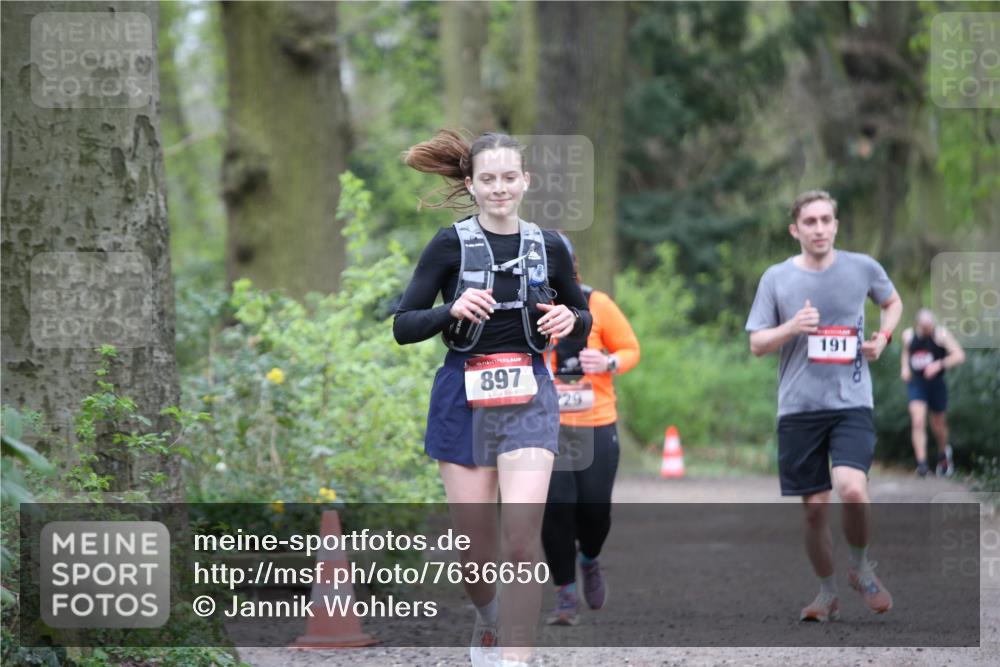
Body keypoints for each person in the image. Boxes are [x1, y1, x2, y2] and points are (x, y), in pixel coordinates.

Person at [393, 129, 592, 667]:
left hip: (529, 396)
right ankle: (488, 618)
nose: (499, 188)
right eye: (488, 179)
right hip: (462, 396)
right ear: (472, 184)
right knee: (475, 554)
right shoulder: (448, 244)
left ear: (525, 181)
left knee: (522, 543)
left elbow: (582, 318)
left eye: (509, 178)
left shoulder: (550, 245)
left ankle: (515, 659)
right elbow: (404, 325)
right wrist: (450, 309)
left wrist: (569, 318)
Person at [745, 189, 903, 623]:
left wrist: (883, 338)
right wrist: (792, 327)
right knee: (815, 508)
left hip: (851, 401)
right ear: (795, 229)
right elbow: (757, 342)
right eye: (810, 222)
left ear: (836, 224)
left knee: (852, 487)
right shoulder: (776, 278)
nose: (819, 228)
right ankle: (827, 592)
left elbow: (892, 303)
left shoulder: (862, 268)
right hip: (798, 408)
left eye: (826, 220)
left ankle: (861, 565)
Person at [541, 235, 640, 626]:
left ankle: (590, 558)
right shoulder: (527, 307)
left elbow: (631, 348)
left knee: (595, 509)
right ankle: (565, 595)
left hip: (596, 419)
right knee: (556, 508)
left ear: (572, 264)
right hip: (548, 425)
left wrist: (607, 361)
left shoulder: (596, 303)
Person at [900, 309, 966, 477]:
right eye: (925, 327)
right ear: (918, 325)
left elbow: (959, 355)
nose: (928, 329)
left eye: (930, 326)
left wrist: (939, 364)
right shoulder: (908, 335)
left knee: (938, 423)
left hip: (936, 384)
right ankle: (921, 465)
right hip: (917, 384)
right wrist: (905, 368)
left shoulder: (941, 334)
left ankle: (943, 453)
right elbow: (906, 353)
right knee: (918, 420)